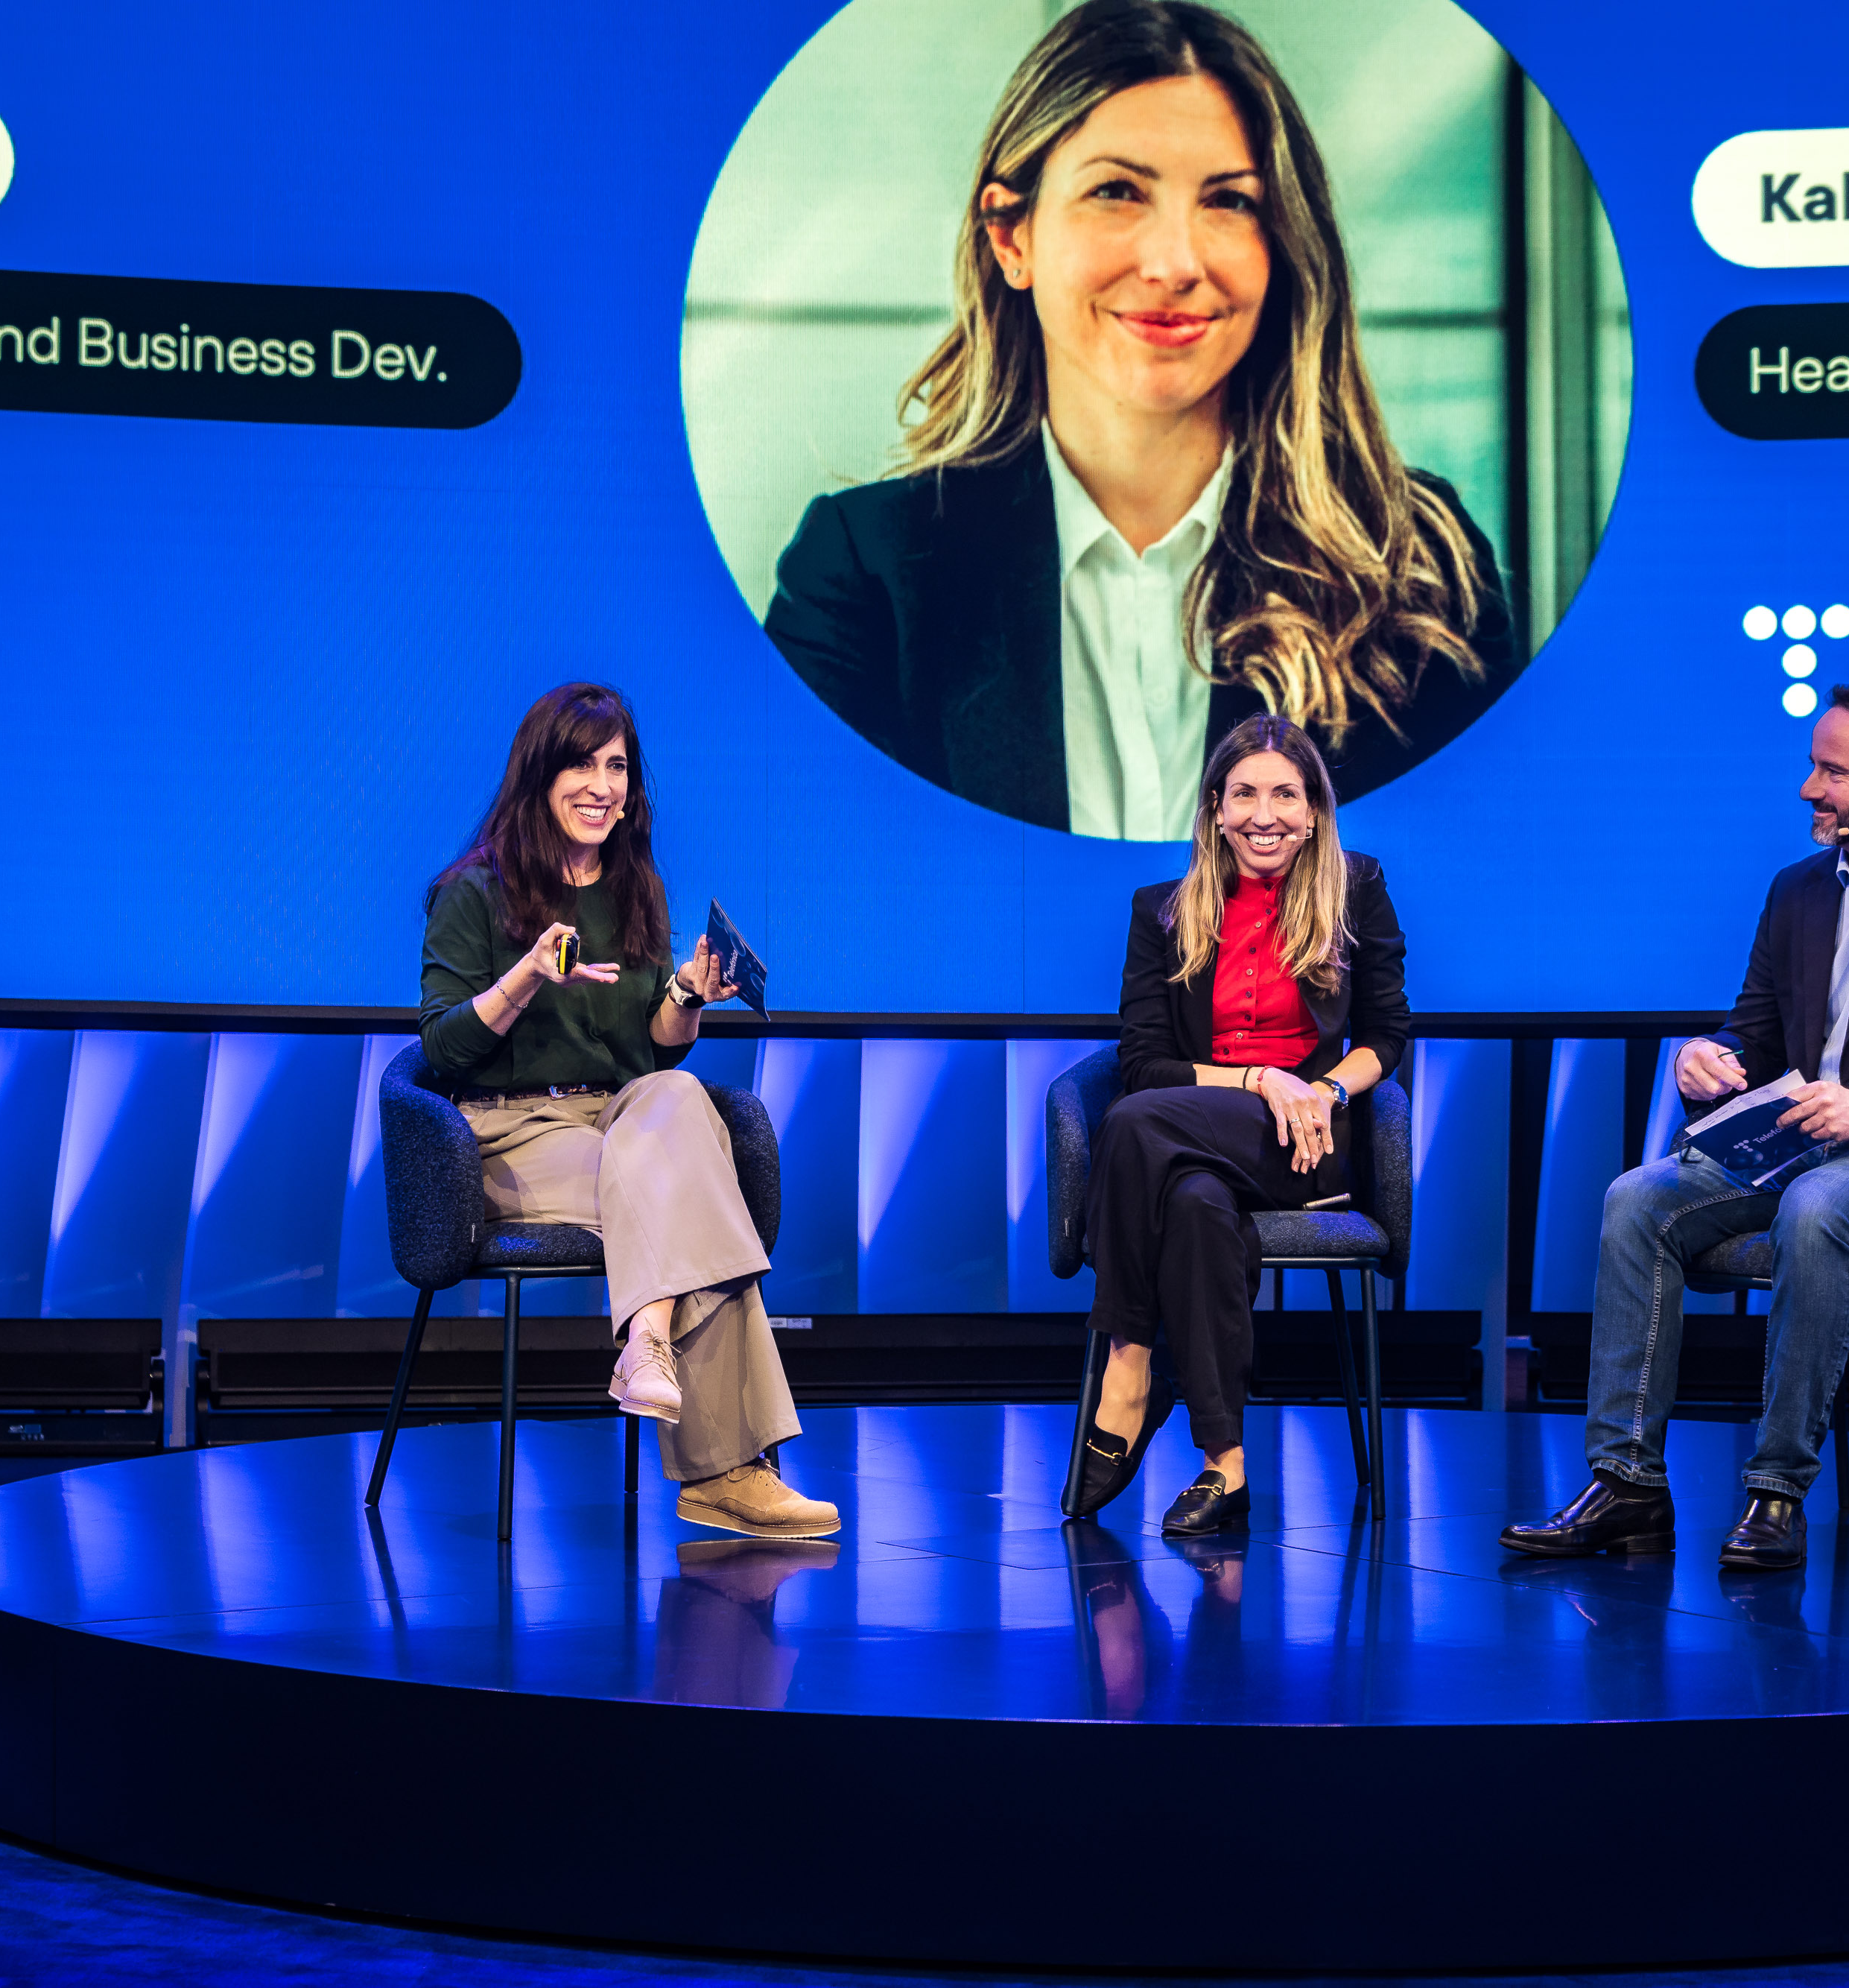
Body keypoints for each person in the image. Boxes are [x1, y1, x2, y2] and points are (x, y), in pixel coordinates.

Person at [764, 0, 1516, 841]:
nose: (1174, 263)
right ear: (1011, 237)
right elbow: (812, 886)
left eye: (1228, 203)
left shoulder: (1415, 564)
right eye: (1116, 191)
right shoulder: (862, 576)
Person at [1501, 681, 1849, 1571]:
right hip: (1784, 1143)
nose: (1808, 788)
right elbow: (1749, 1028)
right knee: (1637, 1198)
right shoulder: (1797, 889)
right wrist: (1706, 1057)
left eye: (1832, 771)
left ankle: (1776, 1490)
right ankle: (1627, 1484)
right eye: (1811, 764)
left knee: (1820, 1206)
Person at [417, 682, 837, 1540]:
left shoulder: (632, 884)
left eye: (616, 766)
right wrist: (528, 974)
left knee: (680, 1098)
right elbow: (443, 1048)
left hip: (619, 1114)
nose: (601, 784)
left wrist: (688, 991)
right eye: (582, 763)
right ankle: (726, 1473)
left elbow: (657, 1046)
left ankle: (646, 1339)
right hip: (509, 1131)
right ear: (539, 774)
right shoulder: (473, 892)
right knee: (691, 1206)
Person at [1069, 713, 1408, 1534]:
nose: (1266, 814)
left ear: (1316, 810)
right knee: (1187, 1198)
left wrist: (1319, 1093)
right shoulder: (1162, 909)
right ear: (1215, 809)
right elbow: (1145, 1061)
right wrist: (1263, 1078)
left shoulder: (1355, 887)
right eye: (1245, 794)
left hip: (1308, 1147)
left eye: (1286, 795)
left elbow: (1385, 1038)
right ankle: (1226, 1463)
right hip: (1197, 1137)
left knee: (1136, 1125)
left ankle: (1129, 1362)